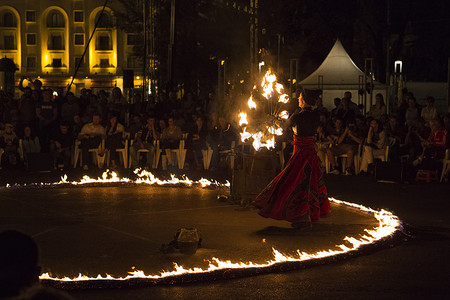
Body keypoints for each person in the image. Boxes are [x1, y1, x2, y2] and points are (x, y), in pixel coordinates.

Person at [253, 89, 330, 228]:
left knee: (292, 182)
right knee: (309, 182)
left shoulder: (297, 117)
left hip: (300, 154)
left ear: (304, 100)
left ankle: (300, 216)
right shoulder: (316, 115)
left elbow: (286, 129)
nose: (298, 99)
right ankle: (308, 214)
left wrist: (274, 122)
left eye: (300, 97)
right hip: (311, 154)